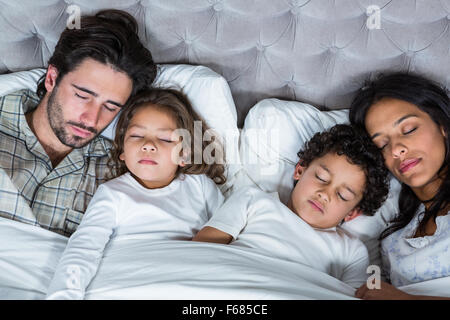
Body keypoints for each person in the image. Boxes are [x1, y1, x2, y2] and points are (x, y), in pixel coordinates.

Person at [46, 88, 226, 299]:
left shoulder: (200, 186)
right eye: (137, 135)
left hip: (185, 281)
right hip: (130, 281)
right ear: (122, 150)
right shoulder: (113, 194)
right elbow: (84, 248)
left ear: (184, 153)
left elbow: (227, 228)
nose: (148, 145)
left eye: (166, 140)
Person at [0, 9, 157, 236]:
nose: (91, 119)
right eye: (83, 96)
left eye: (110, 107)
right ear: (52, 78)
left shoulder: (117, 170)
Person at [193, 124, 389, 289]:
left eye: (342, 195)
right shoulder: (253, 199)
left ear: (352, 213)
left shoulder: (351, 250)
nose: (324, 194)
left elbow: (354, 296)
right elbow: (201, 251)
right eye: (321, 178)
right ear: (300, 170)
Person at [349, 72, 450, 300]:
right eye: (382, 144)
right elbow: (374, 284)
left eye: (408, 130)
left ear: (443, 125)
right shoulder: (393, 236)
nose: (396, 149)